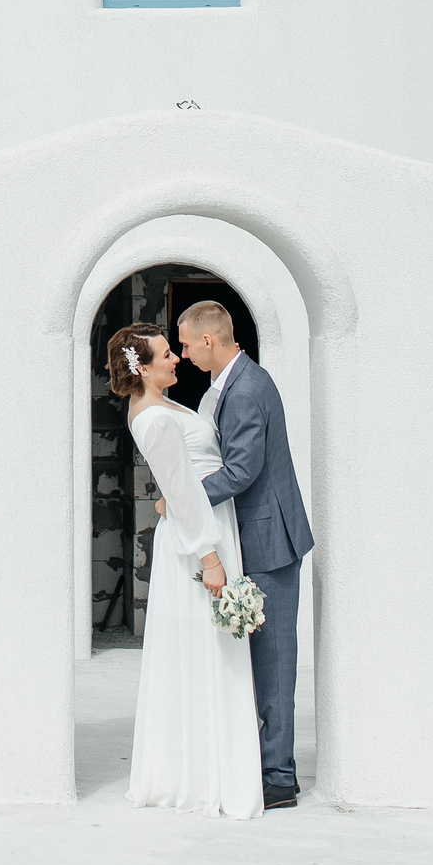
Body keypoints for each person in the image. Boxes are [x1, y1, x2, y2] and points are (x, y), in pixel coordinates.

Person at [111, 323, 262, 819]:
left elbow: (178, 483)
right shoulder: (153, 417)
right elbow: (181, 488)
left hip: (205, 524)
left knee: (212, 650)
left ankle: (214, 764)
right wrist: (210, 558)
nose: (176, 358)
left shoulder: (163, 406)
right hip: (198, 540)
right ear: (142, 368)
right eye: (166, 354)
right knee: (205, 649)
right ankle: (200, 775)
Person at [178, 298, 314, 808]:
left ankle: (279, 776)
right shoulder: (232, 383)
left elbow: (241, 470)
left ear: (208, 339)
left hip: (270, 539)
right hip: (254, 535)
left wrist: (184, 499)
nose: (185, 355)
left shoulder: (247, 389)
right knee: (258, 658)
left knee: (274, 661)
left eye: (187, 345)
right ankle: (266, 763)